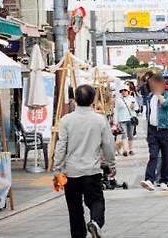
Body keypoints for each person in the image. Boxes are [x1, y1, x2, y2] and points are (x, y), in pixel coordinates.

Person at [54, 84, 115, 238]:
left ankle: (78, 235)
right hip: (92, 171)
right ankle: (95, 222)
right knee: (96, 201)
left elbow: (61, 145)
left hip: (71, 172)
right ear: (93, 99)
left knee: (74, 209)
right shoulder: (100, 120)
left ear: (75, 99)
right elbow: (108, 144)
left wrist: (57, 167)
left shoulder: (66, 120)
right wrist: (111, 164)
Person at [141, 74, 168, 191]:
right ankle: (149, 179)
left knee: (166, 156)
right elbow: (148, 114)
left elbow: (167, 105)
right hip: (153, 129)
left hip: (165, 129)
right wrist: (147, 132)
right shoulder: (150, 96)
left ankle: (164, 180)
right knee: (153, 155)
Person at [114, 88, 137, 156]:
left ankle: (130, 150)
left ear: (128, 91)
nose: (123, 92)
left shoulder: (132, 98)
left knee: (130, 135)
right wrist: (115, 120)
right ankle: (125, 150)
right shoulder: (119, 100)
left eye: (125, 91)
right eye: (122, 91)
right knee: (124, 134)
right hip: (122, 119)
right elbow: (116, 110)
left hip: (131, 119)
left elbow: (137, 108)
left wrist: (133, 107)